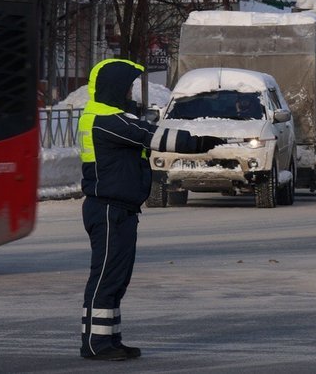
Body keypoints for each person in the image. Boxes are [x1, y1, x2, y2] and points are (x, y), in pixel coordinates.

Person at [78, 58, 223, 361]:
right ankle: (95, 343)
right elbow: (154, 137)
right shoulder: (107, 120)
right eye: (128, 87)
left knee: (117, 278)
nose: (131, 93)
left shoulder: (112, 118)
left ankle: (109, 339)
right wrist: (201, 143)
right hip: (108, 209)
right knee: (105, 277)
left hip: (120, 209)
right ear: (115, 87)